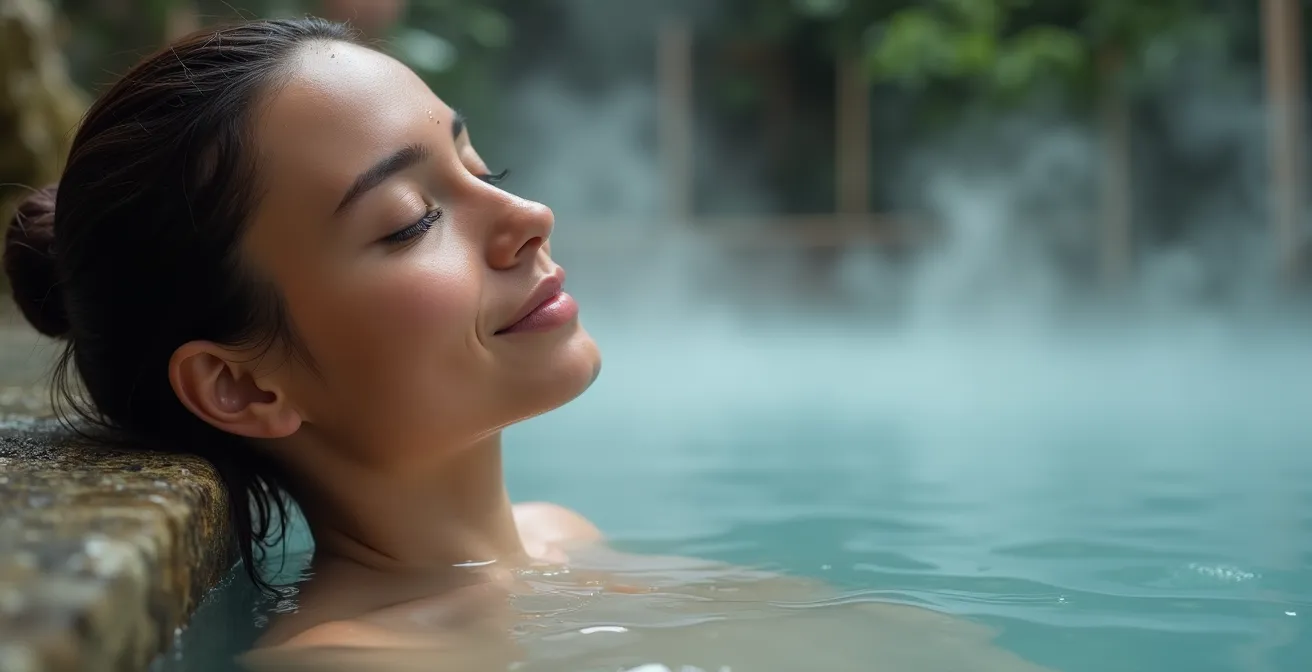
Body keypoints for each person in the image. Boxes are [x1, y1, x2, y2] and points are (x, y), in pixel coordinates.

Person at [4, 18, 1051, 671]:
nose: (529, 213)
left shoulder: (560, 533)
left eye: (480, 162)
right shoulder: (356, 665)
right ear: (240, 385)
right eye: (412, 220)